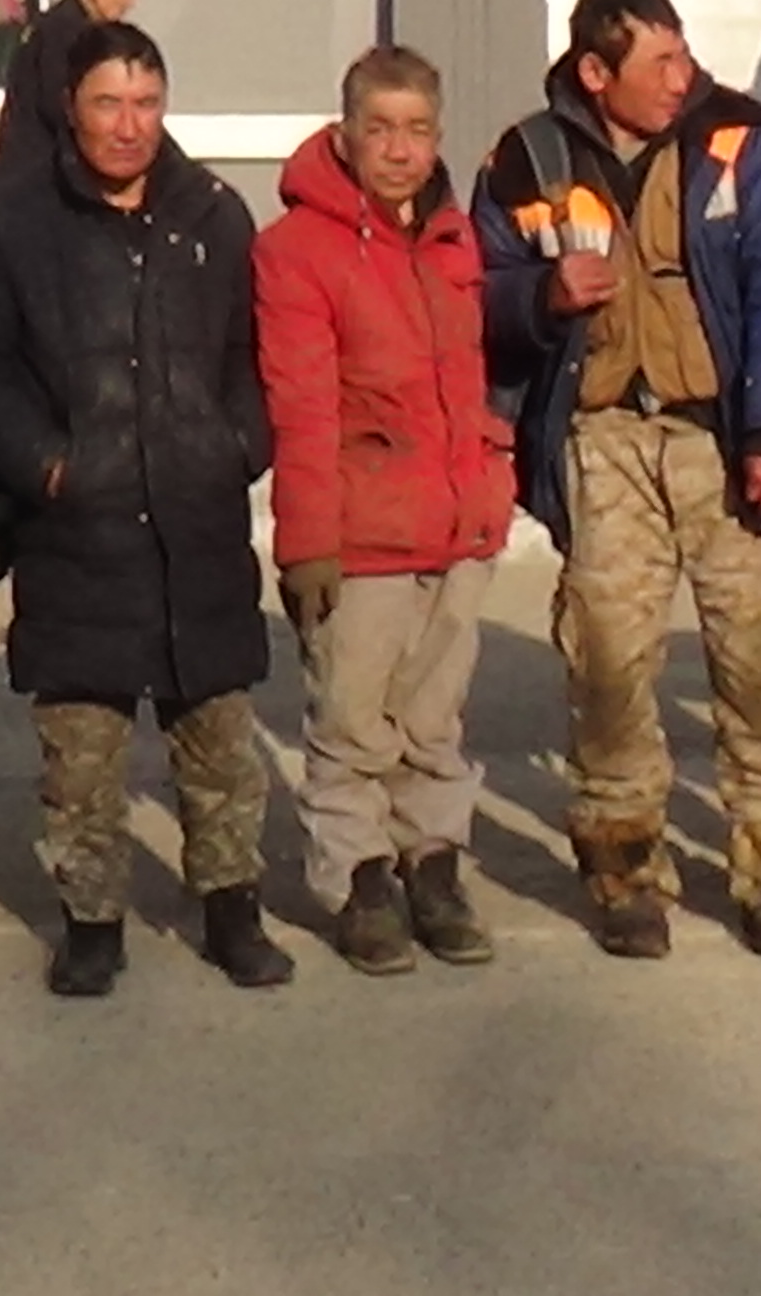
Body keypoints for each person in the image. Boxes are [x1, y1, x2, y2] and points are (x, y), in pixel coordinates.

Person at [0, 20, 290, 997]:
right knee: (80, 762)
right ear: (69, 109)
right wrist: (46, 465)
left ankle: (233, 913)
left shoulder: (213, 214)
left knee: (221, 748)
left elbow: (253, 352)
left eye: (146, 103)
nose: (128, 126)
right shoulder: (10, 224)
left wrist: (239, 445)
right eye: (107, 104)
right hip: (76, 529)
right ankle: (91, 922)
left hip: (196, 523)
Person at [475, 0, 761, 961]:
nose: (684, 76)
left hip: (724, 437)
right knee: (609, 660)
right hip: (602, 441)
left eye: (684, 54)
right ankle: (625, 871)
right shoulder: (527, 160)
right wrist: (540, 295)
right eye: (660, 62)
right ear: (597, 73)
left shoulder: (736, 144)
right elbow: (477, 289)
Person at [255, 48, 518, 976]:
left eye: (418, 131)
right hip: (359, 528)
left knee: (435, 717)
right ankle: (359, 878)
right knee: (353, 719)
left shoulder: (454, 238)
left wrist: (490, 484)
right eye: (381, 130)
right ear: (346, 135)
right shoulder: (296, 250)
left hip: (456, 520)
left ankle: (432, 865)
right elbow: (302, 407)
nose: (400, 151)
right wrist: (306, 544)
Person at [0, 0, 138, 196]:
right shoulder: (65, 34)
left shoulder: (64, 28)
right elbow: (62, 107)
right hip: (33, 182)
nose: (130, 3)